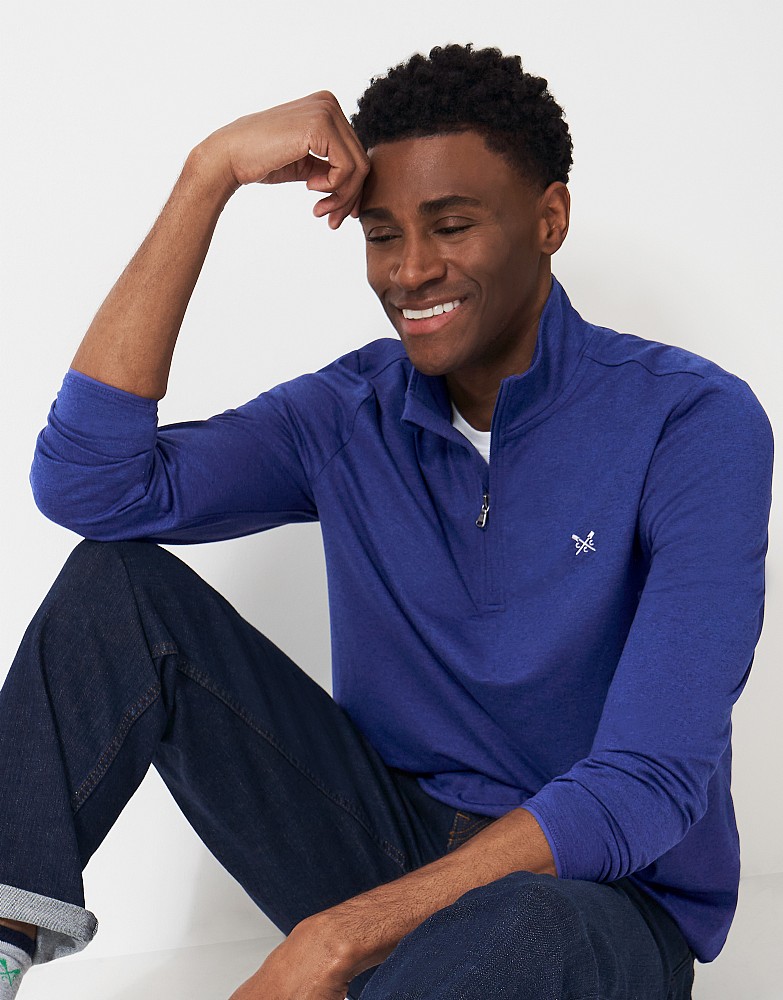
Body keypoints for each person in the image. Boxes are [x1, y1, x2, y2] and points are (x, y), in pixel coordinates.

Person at [0, 43, 772, 1000]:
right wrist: (209, 174)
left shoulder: (689, 421)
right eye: (380, 235)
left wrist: (335, 938)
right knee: (115, 592)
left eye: (451, 226)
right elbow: (91, 486)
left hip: (595, 899)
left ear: (549, 218)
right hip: (387, 848)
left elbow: (648, 781)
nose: (409, 270)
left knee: (520, 928)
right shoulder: (347, 414)